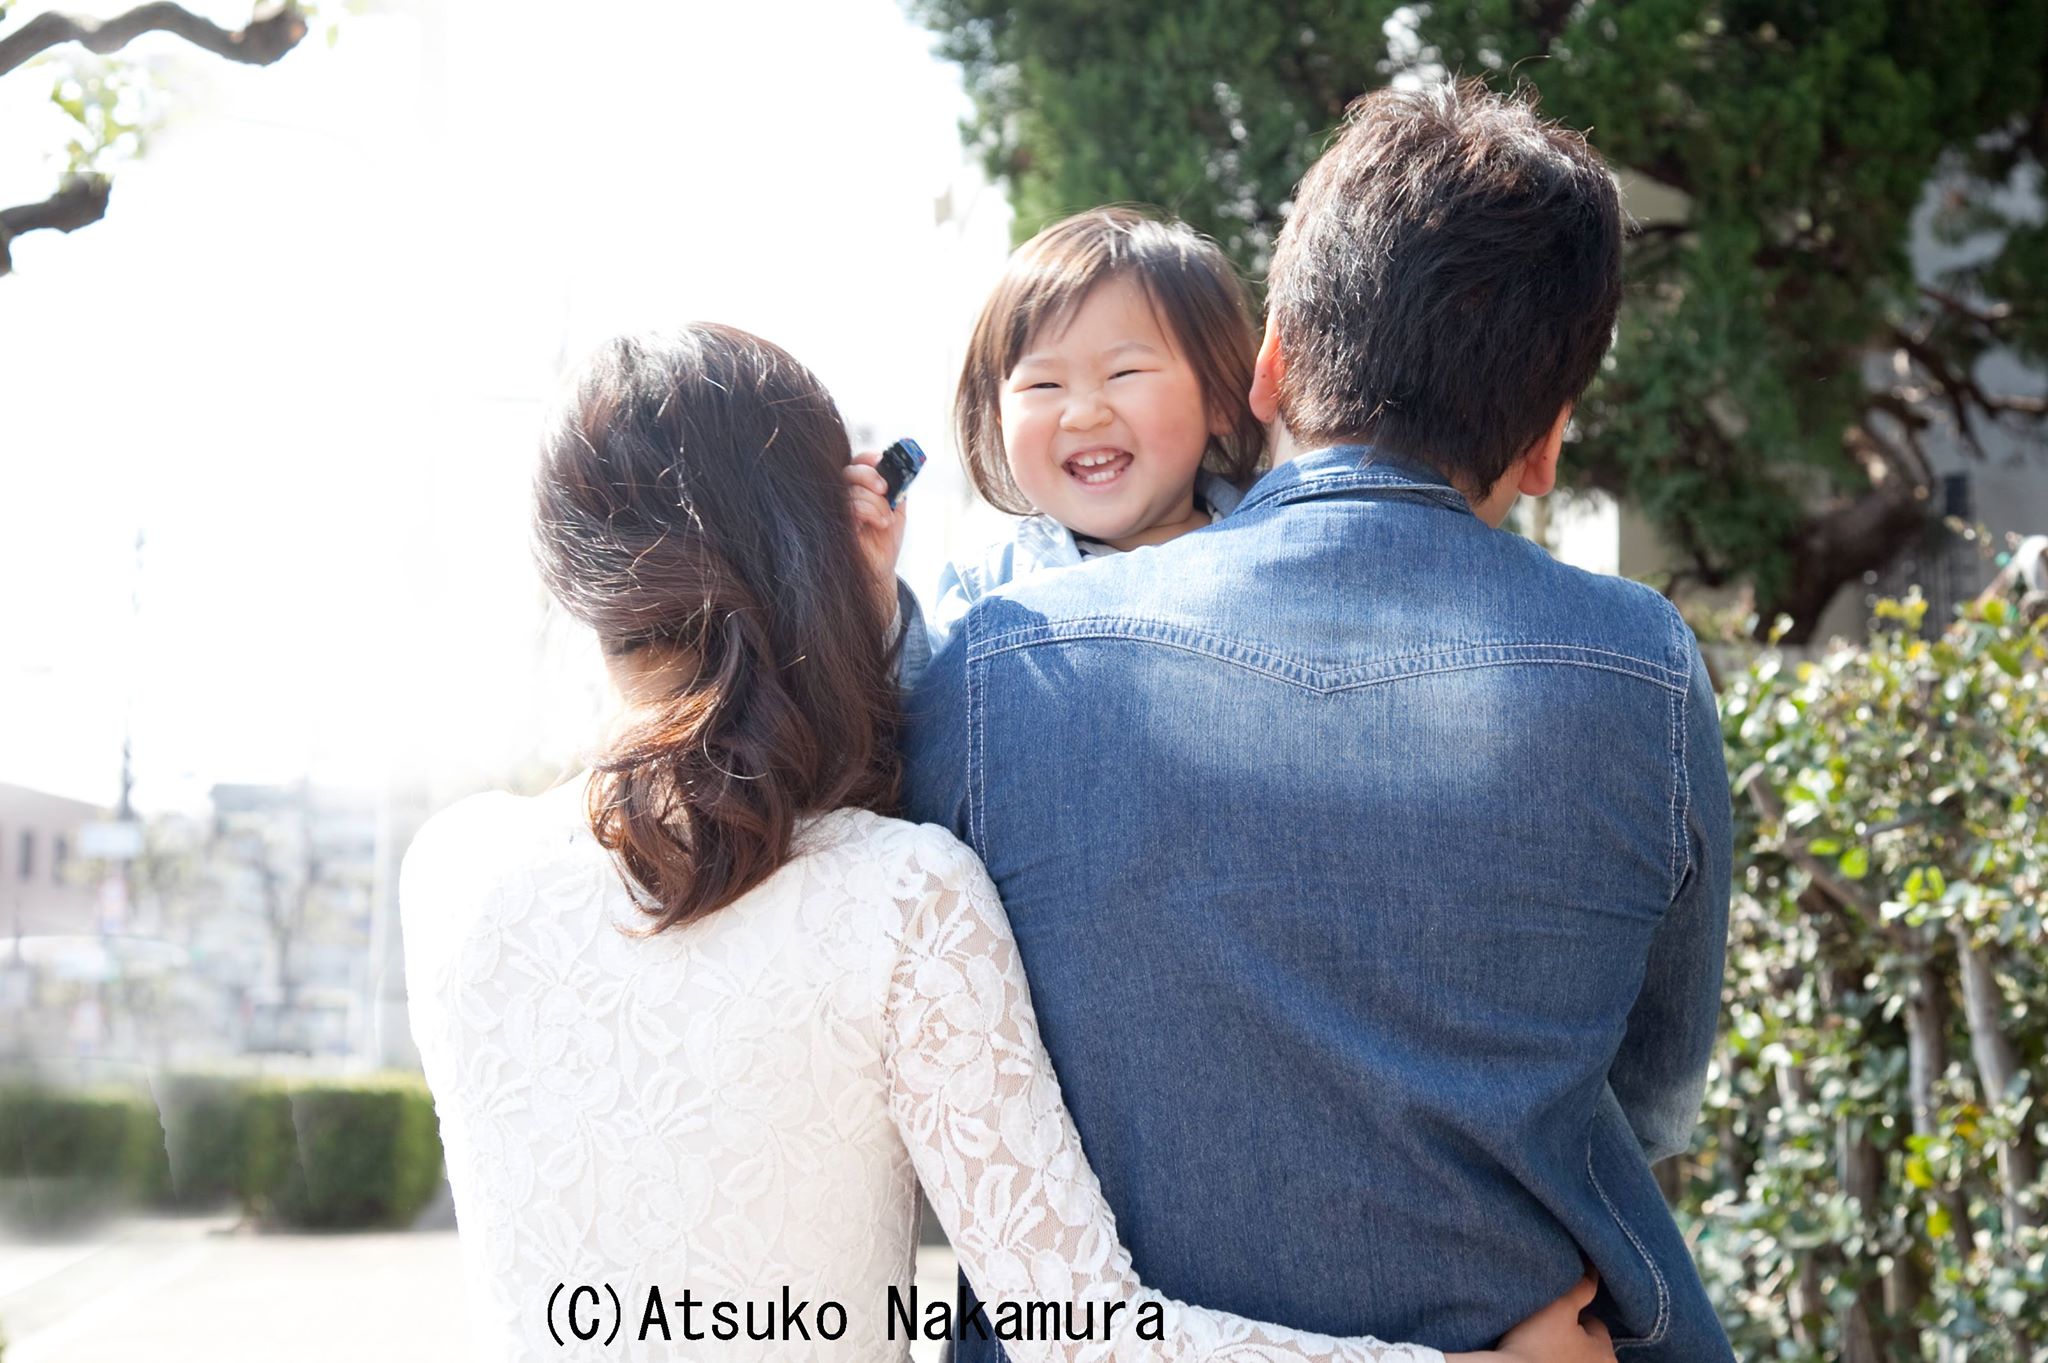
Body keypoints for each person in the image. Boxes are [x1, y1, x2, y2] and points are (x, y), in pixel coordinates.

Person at [400, 323, 1614, 1362]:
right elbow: (1075, 1330)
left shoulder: (448, 877)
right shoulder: (894, 897)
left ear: (572, 578)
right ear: (826, 533)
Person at [905, 81, 1736, 1363]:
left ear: (1273, 361)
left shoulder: (993, 670)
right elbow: (1651, 1088)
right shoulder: (1640, 667)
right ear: (1547, 442)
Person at [844, 207, 1262, 678]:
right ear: (1000, 419)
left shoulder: (1279, 539)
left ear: (1221, 397)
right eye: (1043, 385)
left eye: (1124, 373)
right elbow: (917, 722)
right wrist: (874, 588)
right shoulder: (989, 588)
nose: (1083, 414)